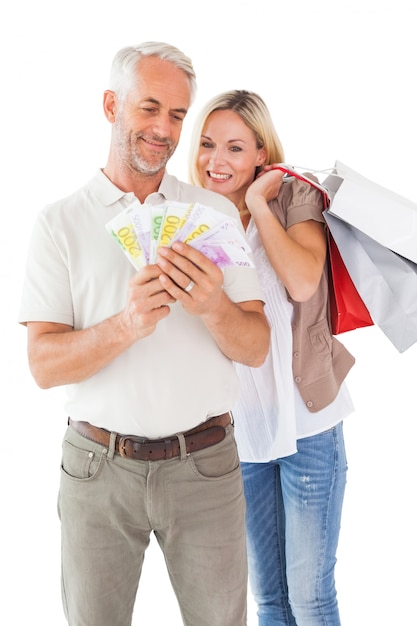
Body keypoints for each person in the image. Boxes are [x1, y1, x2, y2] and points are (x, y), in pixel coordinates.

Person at [18, 47, 270, 626]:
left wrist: (212, 306)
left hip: (206, 466)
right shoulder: (59, 224)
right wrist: (126, 325)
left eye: (178, 115)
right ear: (112, 105)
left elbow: (254, 346)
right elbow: (42, 365)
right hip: (96, 470)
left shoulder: (211, 213)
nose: (164, 130)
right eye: (150, 108)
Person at [188, 90, 356, 626]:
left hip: (308, 427)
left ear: (261, 153)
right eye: (209, 144)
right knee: (269, 600)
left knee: (310, 598)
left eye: (235, 148)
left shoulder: (292, 201)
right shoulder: (193, 219)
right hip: (242, 434)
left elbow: (305, 280)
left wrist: (259, 206)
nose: (217, 161)